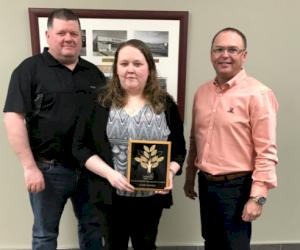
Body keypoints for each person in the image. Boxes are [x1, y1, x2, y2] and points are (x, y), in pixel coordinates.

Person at [3, 8, 107, 250]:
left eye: (74, 33)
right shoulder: (29, 70)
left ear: (81, 37)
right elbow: (13, 118)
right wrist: (29, 168)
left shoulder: (93, 73)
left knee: (93, 230)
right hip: (48, 170)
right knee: (44, 235)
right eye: (61, 32)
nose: (68, 38)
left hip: (90, 170)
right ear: (48, 35)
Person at [72, 39, 186, 250]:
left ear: (149, 68)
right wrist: (110, 174)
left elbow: (179, 150)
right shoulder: (99, 101)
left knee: (146, 245)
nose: (130, 70)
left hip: (151, 198)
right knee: (114, 246)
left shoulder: (165, 103)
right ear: (116, 68)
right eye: (124, 64)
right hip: (110, 195)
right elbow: (80, 147)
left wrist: (169, 172)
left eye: (137, 63)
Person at [183, 27, 279, 250]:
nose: (225, 55)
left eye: (232, 50)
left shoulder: (259, 94)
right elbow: (195, 138)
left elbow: (267, 151)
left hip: (237, 188)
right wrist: (190, 176)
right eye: (219, 49)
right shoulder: (202, 93)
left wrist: (257, 198)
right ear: (211, 54)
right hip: (206, 184)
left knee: (234, 246)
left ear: (243, 55)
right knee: (211, 242)